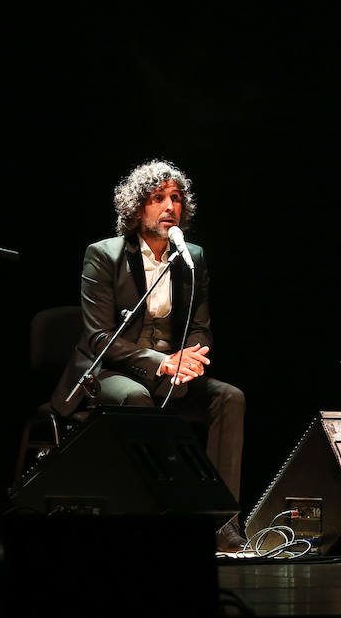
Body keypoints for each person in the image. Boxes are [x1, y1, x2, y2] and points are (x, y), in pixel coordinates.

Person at [49, 159, 246, 553]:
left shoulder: (194, 257)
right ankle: (149, 521)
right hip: (107, 370)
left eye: (175, 198)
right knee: (136, 400)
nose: (170, 206)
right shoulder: (104, 254)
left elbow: (200, 324)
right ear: (138, 208)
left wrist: (190, 359)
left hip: (170, 371)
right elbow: (99, 336)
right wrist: (161, 362)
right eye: (158, 198)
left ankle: (221, 524)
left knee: (230, 397)